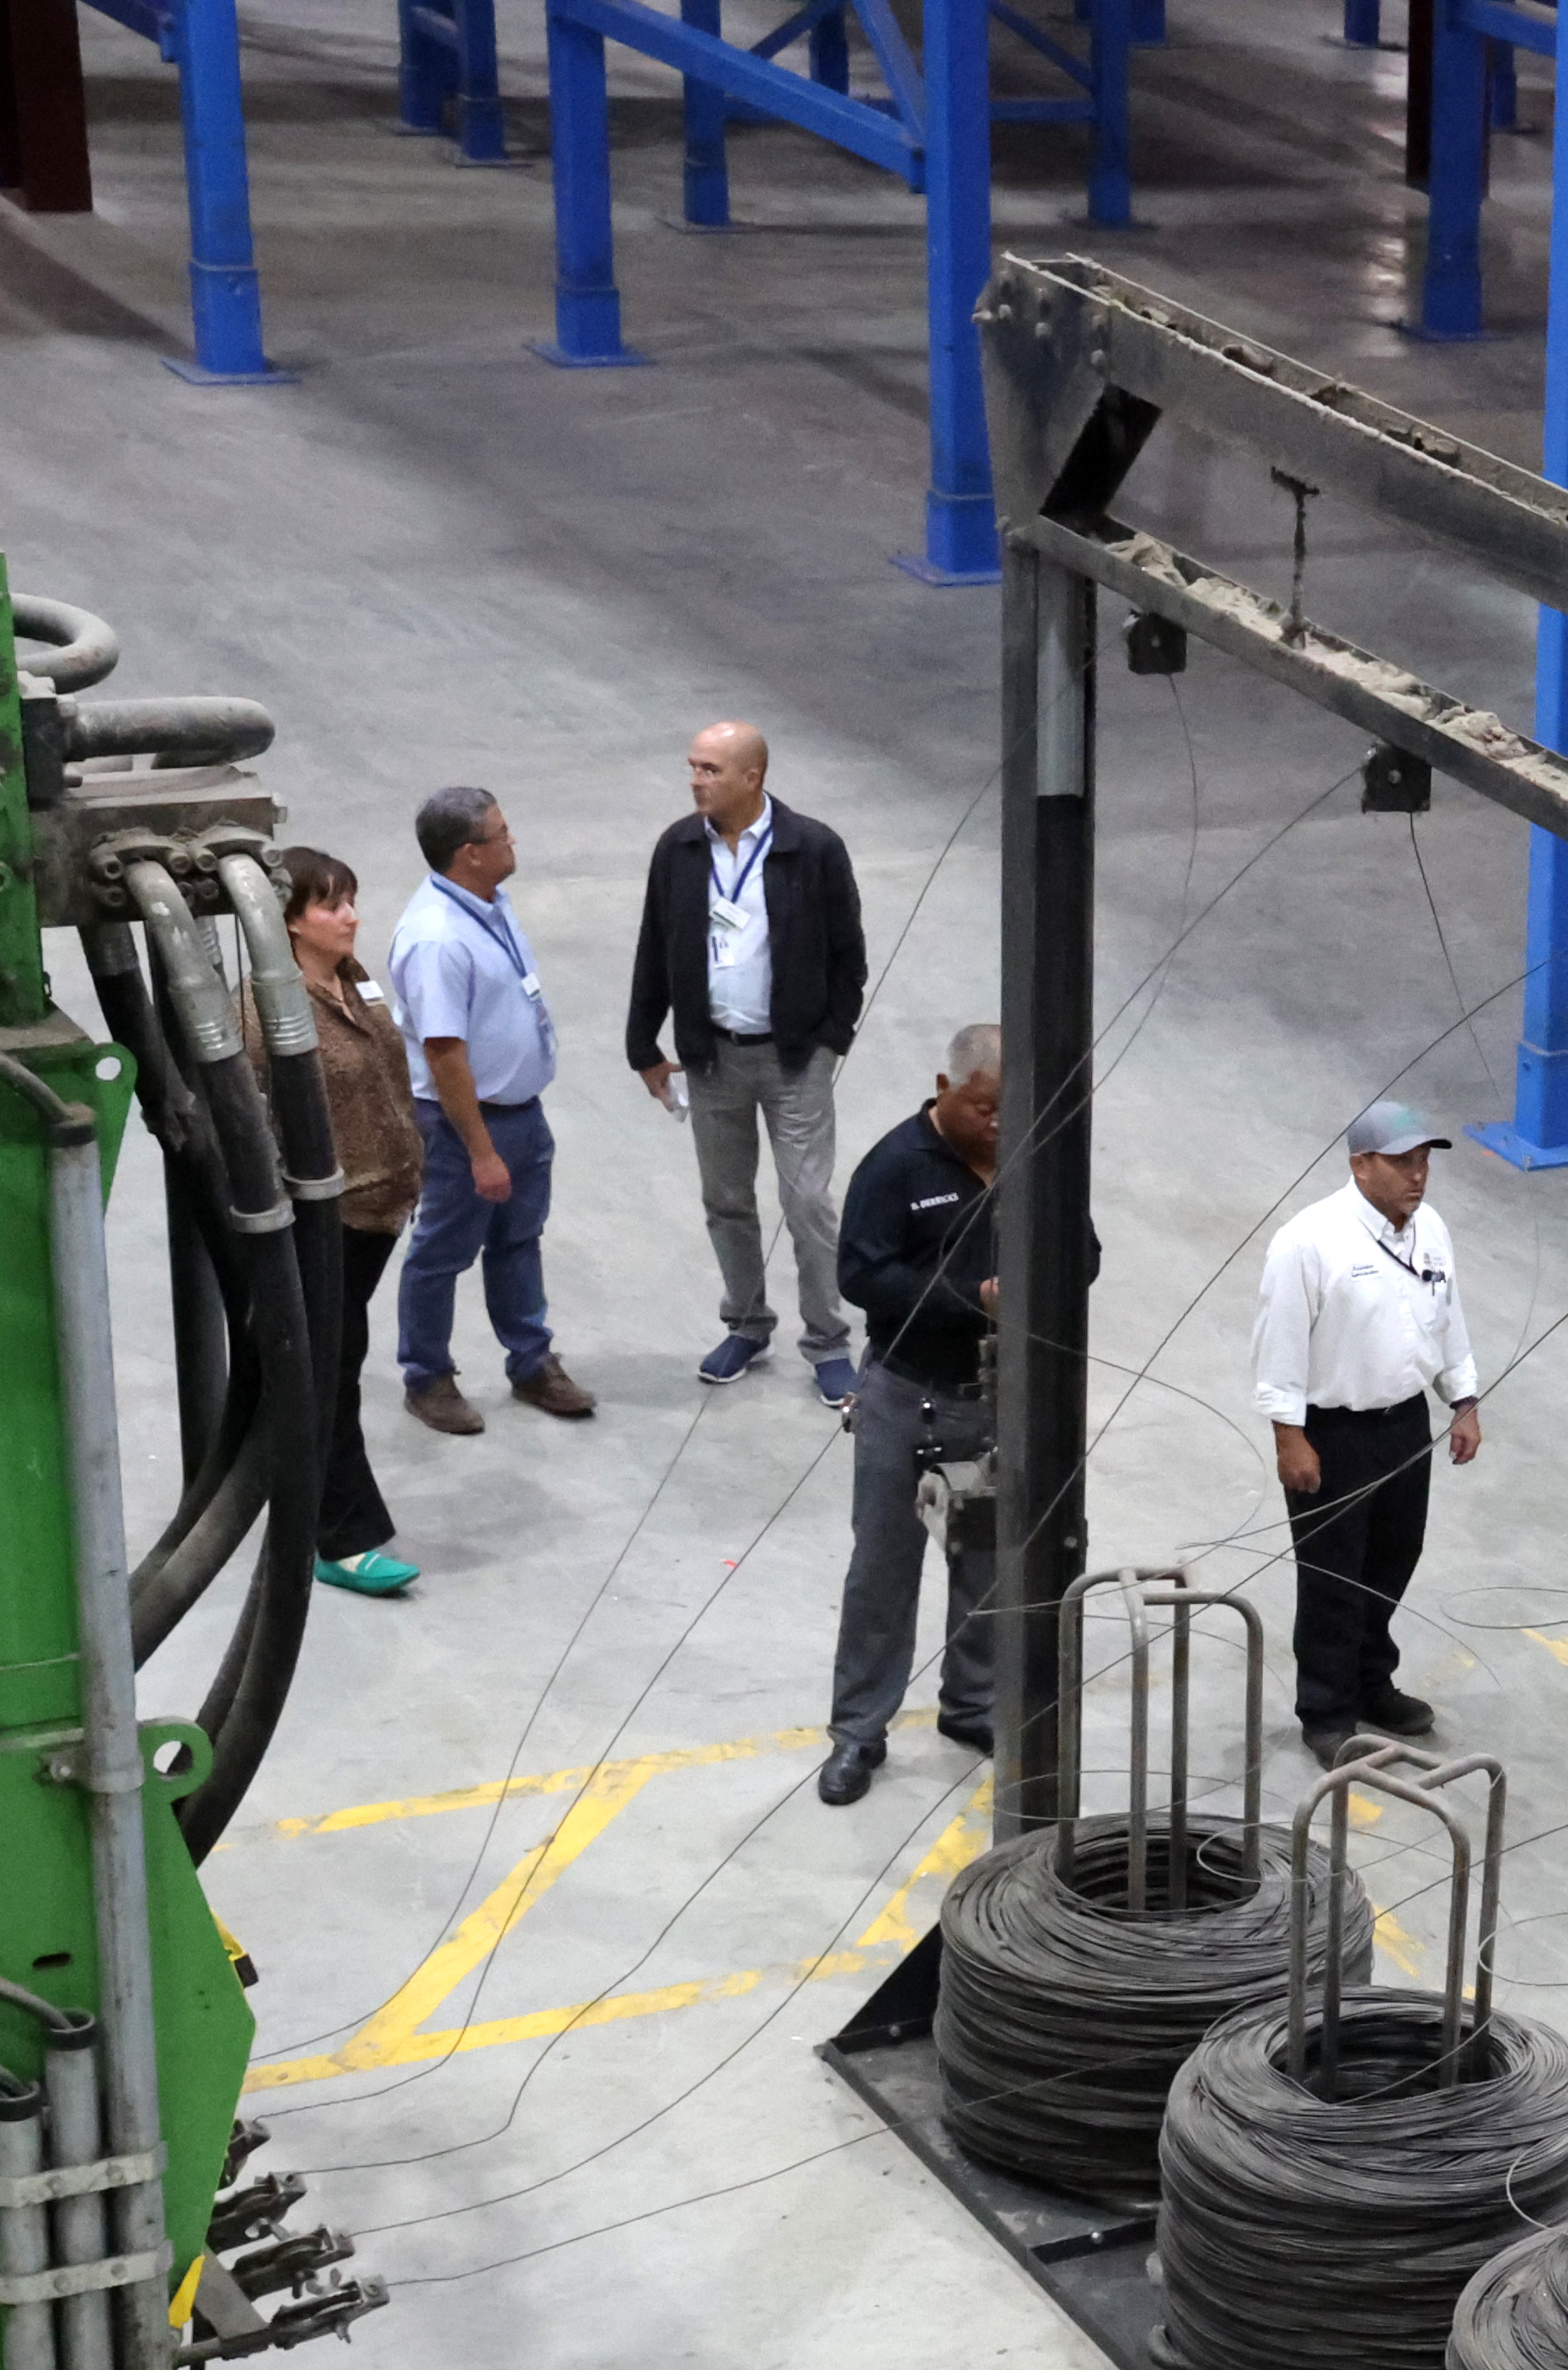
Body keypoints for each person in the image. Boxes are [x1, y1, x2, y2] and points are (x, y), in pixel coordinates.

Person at [819, 1027, 1090, 1806]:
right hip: (907, 1396)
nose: (1001, 1123)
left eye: (1014, 1109)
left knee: (989, 1564)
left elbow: (1087, 1251)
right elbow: (863, 1276)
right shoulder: (896, 1168)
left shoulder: (1032, 1159)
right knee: (883, 1569)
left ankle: (970, 1706)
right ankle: (857, 1734)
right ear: (945, 1085)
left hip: (999, 1398)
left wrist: (1047, 1277)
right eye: (985, 1107)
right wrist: (969, 1299)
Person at [626, 719, 870, 1404]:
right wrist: (643, 1044)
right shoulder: (677, 848)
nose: (696, 780)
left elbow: (849, 954)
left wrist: (831, 1037)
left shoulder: (813, 848)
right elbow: (655, 944)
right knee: (726, 1200)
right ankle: (746, 1323)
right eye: (693, 767)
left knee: (808, 1203)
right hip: (713, 1060)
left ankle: (827, 1340)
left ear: (752, 777)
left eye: (710, 769)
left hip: (794, 1061)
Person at [1254, 1104, 1488, 1769]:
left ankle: (1370, 1682)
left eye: (1424, 1162)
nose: (1419, 1176)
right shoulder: (1309, 1242)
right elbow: (1279, 1348)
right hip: (1334, 1433)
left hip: (1404, 1424)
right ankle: (1326, 1709)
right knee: (1333, 1575)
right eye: (1402, 1162)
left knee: (1392, 1559)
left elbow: (1449, 1320)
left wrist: (1462, 1400)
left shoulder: (1430, 1229)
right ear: (1361, 1165)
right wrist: (1289, 1438)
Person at [390, 785, 591, 1431]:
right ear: (469, 853)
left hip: (520, 1112)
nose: (513, 841)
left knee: (518, 1242)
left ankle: (531, 1361)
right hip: (464, 1125)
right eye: (502, 833)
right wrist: (480, 1151)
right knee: (442, 1253)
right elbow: (446, 1055)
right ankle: (428, 1376)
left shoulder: (488, 903)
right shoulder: (437, 939)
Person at [278, 846, 423, 1598]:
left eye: (352, 900)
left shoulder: (351, 978)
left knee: (339, 1363)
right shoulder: (264, 1005)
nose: (351, 916)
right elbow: (253, 1119)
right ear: (291, 920)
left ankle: (332, 1519)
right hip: (328, 1217)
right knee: (328, 1373)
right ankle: (341, 1537)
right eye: (332, 905)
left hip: (379, 1211)